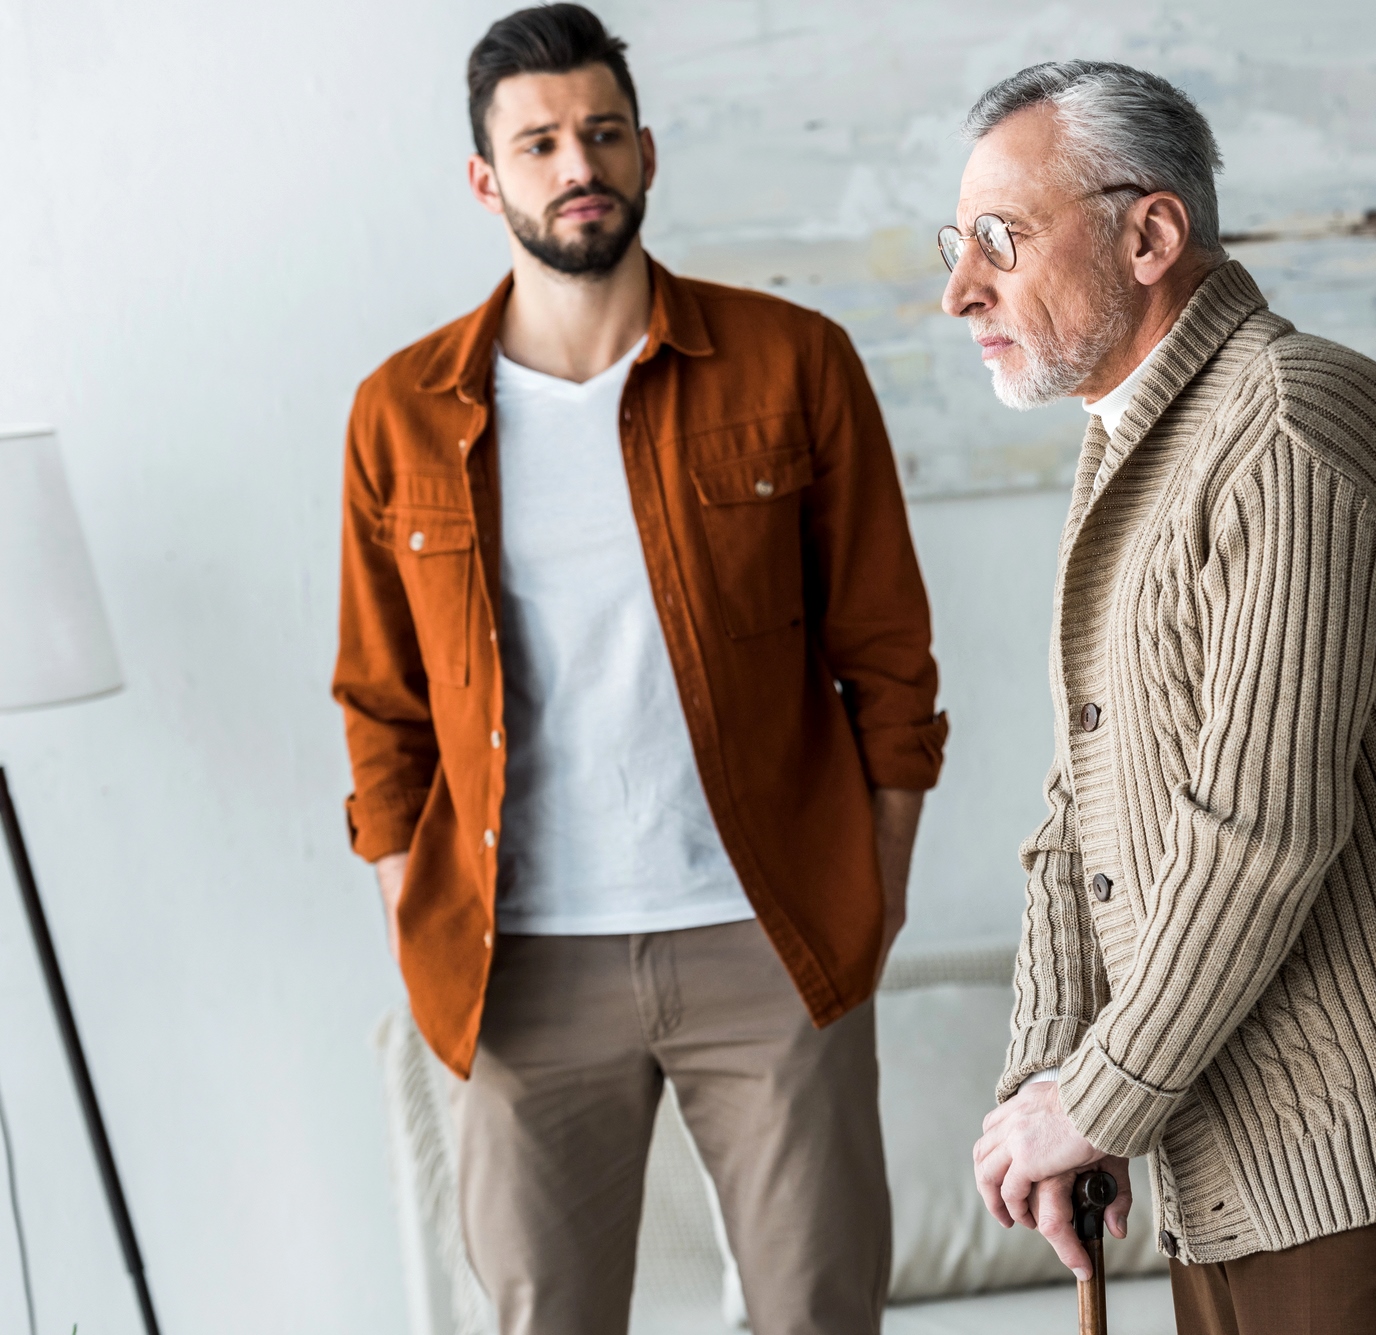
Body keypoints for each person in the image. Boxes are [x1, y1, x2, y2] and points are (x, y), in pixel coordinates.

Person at [331, 7, 947, 1332]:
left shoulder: (795, 364)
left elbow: (888, 656)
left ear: (649, 152)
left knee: (820, 1309)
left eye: (602, 131)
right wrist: (407, 901)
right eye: (541, 141)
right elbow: (382, 706)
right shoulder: (402, 413)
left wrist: (877, 889)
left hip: (769, 936)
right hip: (524, 960)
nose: (578, 163)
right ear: (486, 180)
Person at [948, 62, 1376, 1335]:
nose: (960, 289)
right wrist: (1052, 1079)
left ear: (1148, 233)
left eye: (1000, 239)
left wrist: (1098, 1096)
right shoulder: (1135, 449)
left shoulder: (1291, 426)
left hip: (1360, 1160)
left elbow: (1256, 834)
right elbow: (1082, 804)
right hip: (1220, 1152)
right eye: (961, 245)